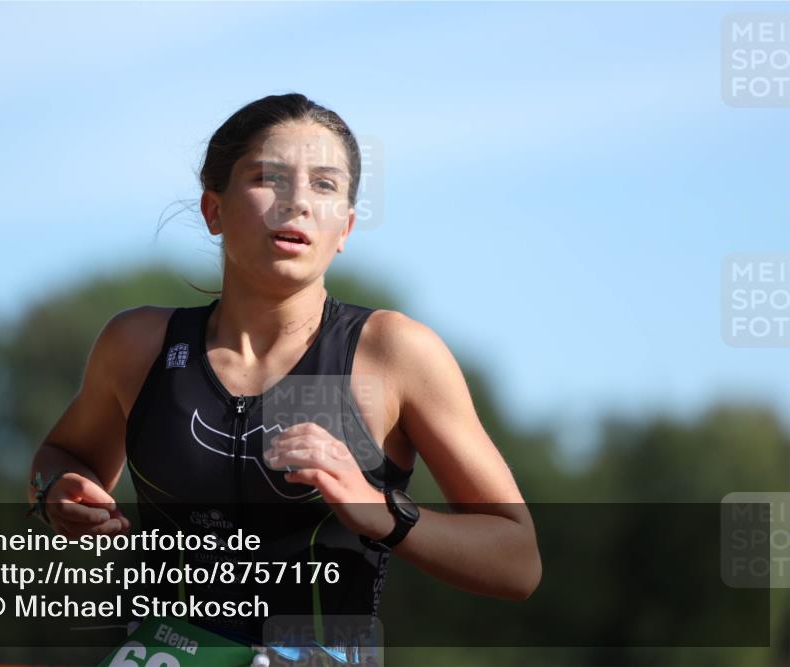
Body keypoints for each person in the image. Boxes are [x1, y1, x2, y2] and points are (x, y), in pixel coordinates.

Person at [29, 92, 541, 656]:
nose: (297, 202)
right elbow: (60, 458)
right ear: (213, 209)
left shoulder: (395, 354)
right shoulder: (138, 345)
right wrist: (57, 491)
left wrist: (382, 511)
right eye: (268, 178)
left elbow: (517, 562)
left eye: (324, 185)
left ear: (344, 227)